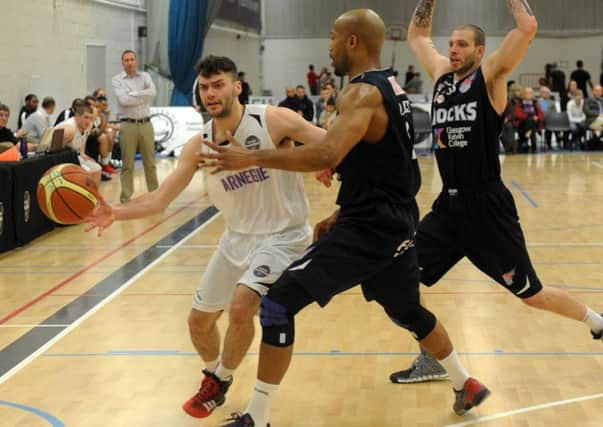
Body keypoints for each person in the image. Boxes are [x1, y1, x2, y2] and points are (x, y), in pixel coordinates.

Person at [199, 9, 489, 426]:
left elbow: (326, 154)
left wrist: (252, 156)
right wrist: (341, 210)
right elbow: (390, 166)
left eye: (334, 37)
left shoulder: (361, 94)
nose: (329, 45)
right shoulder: (391, 86)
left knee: (277, 306)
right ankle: (466, 383)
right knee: (407, 310)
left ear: (353, 42)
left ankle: (257, 419)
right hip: (397, 220)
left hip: (371, 229)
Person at [86, 55, 329, 421]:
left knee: (243, 305)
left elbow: (331, 144)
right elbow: (159, 199)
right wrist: (115, 212)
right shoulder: (198, 146)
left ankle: (218, 380)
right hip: (237, 240)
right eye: (204, 86)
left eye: (218, 85)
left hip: (283, 235)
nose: (210, 93)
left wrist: (322, 161)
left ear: (237, 87)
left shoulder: (273, 119)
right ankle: (219, 376)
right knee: (198, 323)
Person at [389, 0, 603, 385]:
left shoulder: (491, 78)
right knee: (400, 277)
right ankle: (434, 358)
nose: (453, 49)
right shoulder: (440, 76)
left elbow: (528, 27)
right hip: (447, 209)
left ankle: (596, 321)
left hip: (486, 208)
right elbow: (417, 35)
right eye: (451, 43)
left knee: (531, 294)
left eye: (462, 45)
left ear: (479, 51)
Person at [112, 49, 158, 203]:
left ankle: (155, 195)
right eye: (127, 60)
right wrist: (142, 95)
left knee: (150, 163)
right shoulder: (117, 80)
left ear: (136, 61)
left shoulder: (145, 76)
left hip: (146, 124)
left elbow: (152, 93)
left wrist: (133, 94)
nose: (130, 62)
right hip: (128, 124)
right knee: (128, 164)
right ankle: (126, 198)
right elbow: (124, 101)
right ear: (122, 63)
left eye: (132, 59)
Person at [55, 103, 102, 185]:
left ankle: (92, 196)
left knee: (97, 168)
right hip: (59, 160)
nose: (88, 121)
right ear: (77, 116)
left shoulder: (88, 125)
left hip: (73, 156)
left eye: (90, 118)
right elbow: (53, 153)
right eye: (86, 117)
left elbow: (82, 146)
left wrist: (84, 156)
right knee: (86, 172)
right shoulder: (68, 129)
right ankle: (79, 196)